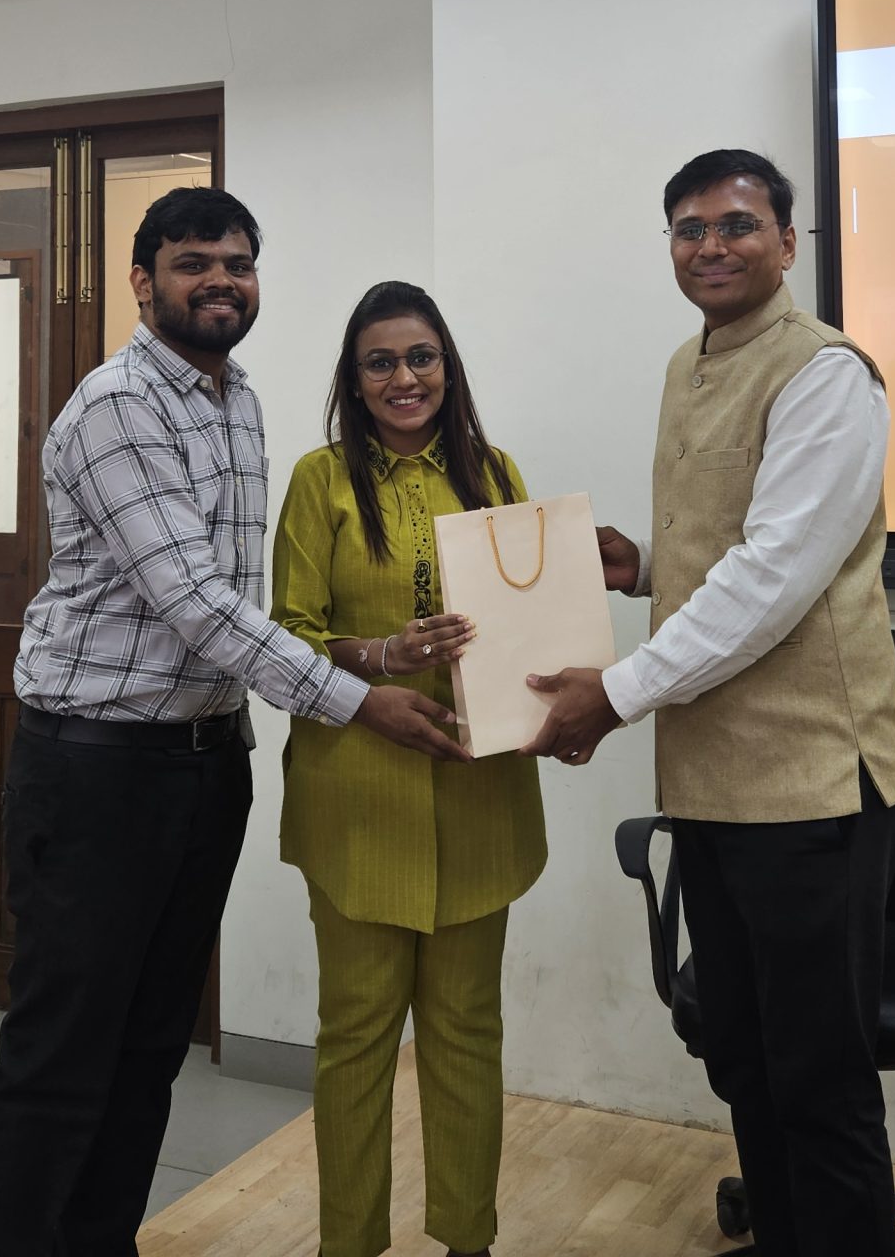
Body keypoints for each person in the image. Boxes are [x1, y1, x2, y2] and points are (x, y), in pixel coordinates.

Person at [0, 189, 468, 1257]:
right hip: (97, 771)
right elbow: (194, 603)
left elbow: (243, 608)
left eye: (237, 263)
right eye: (193, 263)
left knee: (151, 1045)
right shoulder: (118, 406)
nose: (220, 282)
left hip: (202, 764)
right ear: (141, 281)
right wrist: (359, 700)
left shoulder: (235, 400)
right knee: (63, 1054)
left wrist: (375, 655)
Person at [526, 148, 895, 1257]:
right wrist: (644, 567)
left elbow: (777, 575)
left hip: (809, 785)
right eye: (689, 229)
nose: (712, 246)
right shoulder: (687, 364)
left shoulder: (826, 373)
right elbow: (736, 545)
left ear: (788, 242)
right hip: (711, 782)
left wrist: (614, 693)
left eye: (738, 225)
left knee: (819, 1082)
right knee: (746, 1062)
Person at [271, 281, 542, 1257]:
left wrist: (558, 699)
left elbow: (529, 621)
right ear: (354, 380)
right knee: (355, 1039)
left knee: (467, 1034)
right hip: (359, 797)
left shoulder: (496, 472)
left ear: (447, 367)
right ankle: (349, 1245)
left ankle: (469, 1239)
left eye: (420, 357)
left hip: (479, 792)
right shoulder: (320, 481)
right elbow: (289, 637)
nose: (403, 378)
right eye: (379, 362)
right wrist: (379, 662)